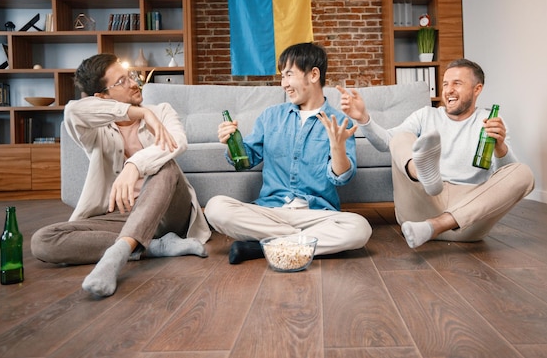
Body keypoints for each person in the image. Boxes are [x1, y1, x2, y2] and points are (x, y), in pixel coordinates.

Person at [31, 53, 211, 297]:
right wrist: (138, 113)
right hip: (122, 216)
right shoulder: (94, 131)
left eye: (131, 76)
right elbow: (73, 112)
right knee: (42, 240)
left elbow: (175, 144)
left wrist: (134, 166)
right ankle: (154, 246)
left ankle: (117, 256)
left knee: (166, 166)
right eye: (121, 82)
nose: (134, 83)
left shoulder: (162, 110)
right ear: (103, 97)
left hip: (169, 213)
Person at [337, 58, 534, 248]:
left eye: (457, 83)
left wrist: (500, 147)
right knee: (401, 137)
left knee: (524, 173)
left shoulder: (490, 121)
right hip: (422, 205)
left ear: (477, 89)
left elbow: (507, 176)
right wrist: (363, 118)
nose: (448, 90)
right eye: (445, 83)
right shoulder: (426, 115)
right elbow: (386, 143)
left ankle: (436, 226)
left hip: (467, 218)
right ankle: (421, 172)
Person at [204, 42, 372, 264]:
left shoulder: (339, 121)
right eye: (282, 76)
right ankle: (298, 243)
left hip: (316, 216)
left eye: (289, 75)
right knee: (216, 208)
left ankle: (260, 246)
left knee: (359, 228)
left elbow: (341, 178)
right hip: (271, 212)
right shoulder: (270, 116)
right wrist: (231, 143)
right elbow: (246, 161)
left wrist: (338, 148)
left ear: (313, 75)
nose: (284, 84)